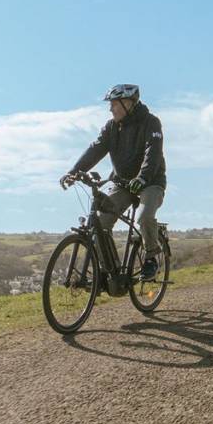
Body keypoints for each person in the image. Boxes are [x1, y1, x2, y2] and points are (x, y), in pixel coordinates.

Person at [60, 84, 166, 279]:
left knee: (144, 217)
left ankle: (151, 257)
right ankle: (111, 269)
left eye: (114, 104)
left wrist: (142, 177)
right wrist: (74, 171)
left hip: (150, 182)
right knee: (99, 224)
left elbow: (153, 153)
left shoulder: (151, 123)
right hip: (123, 183)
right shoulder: (111, 127)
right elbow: (96, 149)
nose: (110, 109)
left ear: (128, 103)